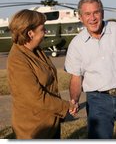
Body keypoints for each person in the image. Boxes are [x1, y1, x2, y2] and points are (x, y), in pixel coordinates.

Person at [64, 0, 116, 139]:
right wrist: (74, 100)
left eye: (96, 12)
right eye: (87, 14)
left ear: (102, 13)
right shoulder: (76, 44)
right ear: (80, 17)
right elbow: (76, 78)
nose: (92, 18)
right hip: (97, 102)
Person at [7, 9, 77, 139]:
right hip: (34, 129)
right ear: (30, 33)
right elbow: (36, 98)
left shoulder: (36, 51)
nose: (45, 32)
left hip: (49, 122)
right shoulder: (18, 60)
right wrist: (67, 106)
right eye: (42, 29)